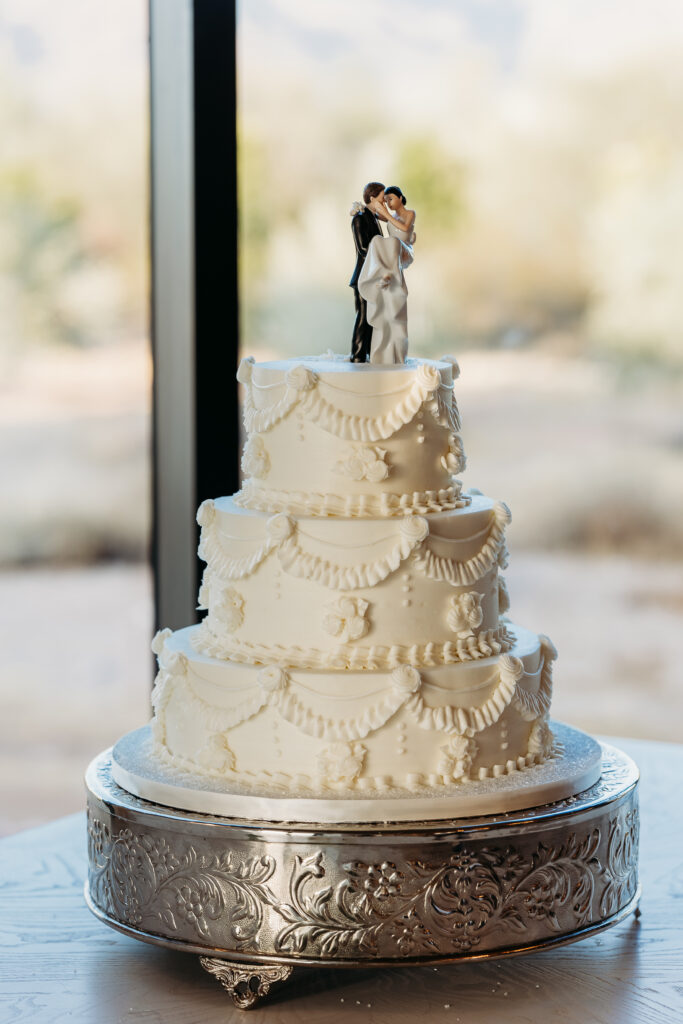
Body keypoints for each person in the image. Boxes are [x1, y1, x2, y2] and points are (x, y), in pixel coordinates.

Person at [357, 185, 416, 364]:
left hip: (404, 251)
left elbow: (404, 229)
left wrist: (387, 215)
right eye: (385, 199)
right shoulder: (391, 216)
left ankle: (389, 274)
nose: (387, 203)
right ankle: (383, 273)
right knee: (377, 241)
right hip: (394, 256)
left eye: (390, 199)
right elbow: (372, 212)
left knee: (393, 242)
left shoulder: (409, 214)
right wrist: (359, 208)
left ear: (400, 197)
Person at [349, 182, 385, 363]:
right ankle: (358, 354)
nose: (384, 202)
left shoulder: (374, 218)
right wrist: (384, 253)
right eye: (381, 199)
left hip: (374, 275)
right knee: (363, 316)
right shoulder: (359, 219)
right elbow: (364, 248)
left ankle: (370, 352)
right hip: (363, 276)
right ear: (372, 198)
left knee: (372, 316)